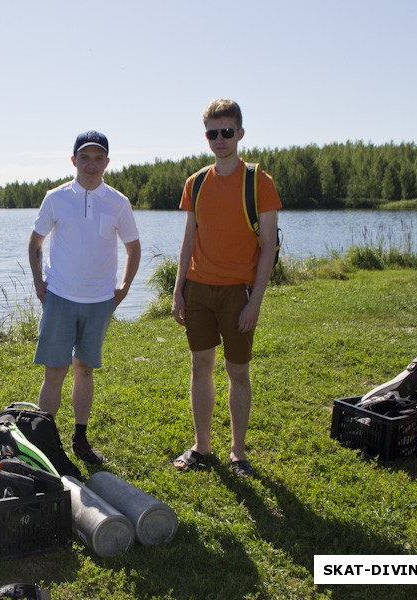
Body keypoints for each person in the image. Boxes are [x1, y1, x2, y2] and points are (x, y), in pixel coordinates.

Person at [172, 99, 282, 476]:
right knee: (200, 365)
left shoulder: (259, 182)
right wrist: (178, 290)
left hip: (239, 291)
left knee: (238, 371)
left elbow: (268, 245)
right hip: (199, 289)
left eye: (227, 131)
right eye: (212, 133)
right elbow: (188, 242)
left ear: (240, 133)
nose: (220, 139)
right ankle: (202, 446)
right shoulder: (196, 182)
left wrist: (256, 303)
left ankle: (238, 452)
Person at [28, 130, 141, 464]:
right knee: (55, 371)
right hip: (60, 296)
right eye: (85, 157)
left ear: (107, 162)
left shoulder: (118, 202)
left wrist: (123, 289)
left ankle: (80, 438)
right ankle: (44, 442)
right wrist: (39, 285)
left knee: (85, 370)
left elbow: (133, 248)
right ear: (74, 160)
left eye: (99, 157)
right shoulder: (56, 197)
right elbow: (35, 242)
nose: (92, 164)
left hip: (99, 301)